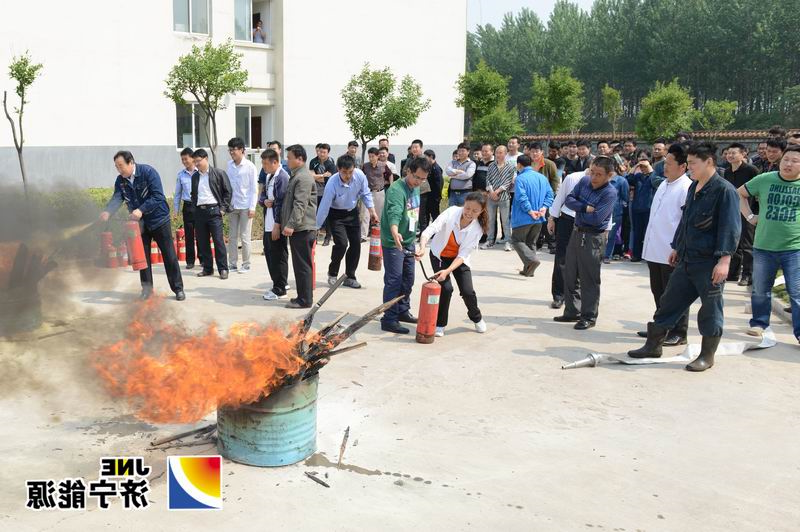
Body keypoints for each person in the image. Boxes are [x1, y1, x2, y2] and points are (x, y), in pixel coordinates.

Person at [629, 142, 741, 372]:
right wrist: (677, 247)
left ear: (708, 162)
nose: (689, 167)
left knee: (710, 310)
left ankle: (707, 355)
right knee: (668, 303)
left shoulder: (724, 191)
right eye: (688, 163)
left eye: (692, 163)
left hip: (709, 262)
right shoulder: (694, 187)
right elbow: (686, 220)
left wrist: (724, 260)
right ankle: (653, 345)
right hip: (686, 258)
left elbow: (730, 228)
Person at [101, 151, 185, 301]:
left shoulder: (148, 172)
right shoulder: (120, 181)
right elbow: (117, 197)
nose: (119, 170)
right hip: (140, 224)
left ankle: (178, 289)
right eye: (116, 167)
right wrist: (108, 211)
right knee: (143, 257)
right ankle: (147, 290)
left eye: (121, 166)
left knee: (169, 255)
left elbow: (158, 196)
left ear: (131, 162)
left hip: (159, 220)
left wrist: (141, 209)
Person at [738, 144, 800, 344]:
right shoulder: (765, 179)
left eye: (795, 161)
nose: (788, 164)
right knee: (760, 289)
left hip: (794, 248)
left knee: (797, 292)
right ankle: (759, 323)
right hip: (764, 245)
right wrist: (749, 216)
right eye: (786, 159)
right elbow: (740, 193)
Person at [637, 142, 693, 346]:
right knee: (658, 291)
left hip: (671, 250)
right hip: (654, 248)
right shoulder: (663, 184)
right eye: (665, 162)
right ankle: (660, 327)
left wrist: (678, 247)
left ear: (683, 166)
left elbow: (686, 222)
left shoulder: (686, 188)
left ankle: (679, 331)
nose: (665, 166)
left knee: (676, 293)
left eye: (669, 163)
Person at [554, 157, 618, 330]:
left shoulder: (609, 193)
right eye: (592, 172)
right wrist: (585, 208)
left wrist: (579, 208)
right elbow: (568, 200)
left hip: (593, 238)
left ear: (609, 175)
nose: (594, 178)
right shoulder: (584, 181)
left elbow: (596, 219)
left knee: (589, 278)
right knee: (570, 273)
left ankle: (589, 316)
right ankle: (572, 311)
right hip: (576, 232)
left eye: (599, 174)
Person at [417, 192, 488, 337]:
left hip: (458, 260)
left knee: (468, 291)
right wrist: (423, 247)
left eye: (475, 211)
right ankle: (440, 324)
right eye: (467, 208)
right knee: (446, 288)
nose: (469, 213)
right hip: (439, 256)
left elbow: (463, 254)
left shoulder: (477, 228)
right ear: (464, 204)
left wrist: (447, 271)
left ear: (481, 211)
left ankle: (476, 317)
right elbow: (431, 229)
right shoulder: (451, 212)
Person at [380, 156, 431, 334]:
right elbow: (394, 212)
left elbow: (413, 214)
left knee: (408, 279)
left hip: (408, 240)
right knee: (394, 280)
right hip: (393, 241)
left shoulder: (415, 188)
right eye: (417, 177)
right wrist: (395, 231)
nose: (419, 182)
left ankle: (402, 310)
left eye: (423, 179)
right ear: (408, 171)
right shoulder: (396, 189)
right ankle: (389, 318)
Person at [317, 155, 377, 289]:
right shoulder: (332, 183)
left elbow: (365, 193)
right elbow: (324, 206)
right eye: (344, 172)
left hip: (352, 213)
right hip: (336, 215)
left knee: (356, 244)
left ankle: (350, 276)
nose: (348, 176)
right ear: (338, 169)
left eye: (350, 172)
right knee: (342, 244)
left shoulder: (360, 176)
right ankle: (332, 273)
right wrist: (316, 226)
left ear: (354, 169)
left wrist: (372, 211)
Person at [282, 144, 318, 309]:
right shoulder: (297, 175)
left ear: (300, 159)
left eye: (289, 157)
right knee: (301, 265)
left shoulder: (303, 177)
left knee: (303, 265)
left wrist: (291, 224)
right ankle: (302, 297)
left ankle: (304, 300)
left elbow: (300, 204)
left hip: (302, 228)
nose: (287, 160)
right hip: (300, 228)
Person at [191, 148, 231, 280]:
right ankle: (207, 268)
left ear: (206, 159)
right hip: (200, 212)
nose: (197, 164)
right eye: (195, 162)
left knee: (218, 241)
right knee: (203, 242)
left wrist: (223, 209)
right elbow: (193, 194)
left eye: (198, 161)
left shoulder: (218, 173)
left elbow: (228, 191)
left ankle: (223, 269)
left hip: (214, 211)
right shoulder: (195, 176)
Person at [510, 154, 554, 277]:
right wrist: (544, 208)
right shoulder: (542, 177)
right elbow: (550, 195)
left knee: (517, 240)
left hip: (523, 217)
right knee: (531, 243)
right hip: (539, 217)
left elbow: (521, 197)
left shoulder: (520, 178)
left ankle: (531, 261)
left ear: (519, 165)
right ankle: (529, 271)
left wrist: (530, 211)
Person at [723, 142, 760, 286]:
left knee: (747, 244)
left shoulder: (751, 170)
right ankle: (733, 274)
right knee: (734, 243)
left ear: (743, 154)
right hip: (732, 211)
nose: (730, 156)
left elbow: (758, 192)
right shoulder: (727, 171)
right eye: (728, 153)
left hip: (748, 211)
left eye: (734, 153)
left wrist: (754, 213)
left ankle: (748, 275)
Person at [259, 148, 290, 301]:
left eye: (266, 164)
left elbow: (282, 203)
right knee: (270, 253)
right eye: (263, 163)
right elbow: (262, 196)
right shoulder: (269, 176)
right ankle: (277, 284)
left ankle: (280, 288)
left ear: (275, 162)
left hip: (277, 224)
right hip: (268, 222)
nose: (263, 167)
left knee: (278, 255)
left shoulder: (282, 177)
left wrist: (277, 225)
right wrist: (264, 201)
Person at [225, 137, 258, 273]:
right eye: (230, 150)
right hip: (233, 206)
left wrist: (252, 208)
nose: (232, 152)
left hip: (246, 206)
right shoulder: (229, 165)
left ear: (242, 150)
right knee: (232, 237)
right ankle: (232, 264)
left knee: (245, 237)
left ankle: (246, 264)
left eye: (234, 149)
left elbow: (254, 189)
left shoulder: (250, 167)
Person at [626, 151, 663, 262]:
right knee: (637, 232)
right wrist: (635, 167)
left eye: (644, 166)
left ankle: (648, 255)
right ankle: (636, 255)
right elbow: (628, 179)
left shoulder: (654, 176)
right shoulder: (638, 176)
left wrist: (649, 169)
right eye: (641, 167)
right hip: (637, 208)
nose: (642, 168)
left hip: (649, 208)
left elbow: (657, 182)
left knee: (649, 232)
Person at [482, 145, 515, 251]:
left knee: (505, 220)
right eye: (496, 152)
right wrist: (492, 192)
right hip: (491, 197)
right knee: (490, 219)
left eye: (500, 153)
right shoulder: (491, 165)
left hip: (504, 197)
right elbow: (488, 179)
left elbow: (508, 181)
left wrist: (497, 191)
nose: (498, 155)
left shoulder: (510, 166)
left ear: (505, 153)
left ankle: (508, 241)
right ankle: (490, 240)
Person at [360, 147, 392, 240]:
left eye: (373, 156)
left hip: (379, 192)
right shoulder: (365, 166)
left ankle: (379, 233)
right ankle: (363, 235)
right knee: (365, 214)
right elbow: (361, 176)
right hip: (368, 193)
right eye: (369, 156)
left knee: (379, 214)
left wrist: (391, 185)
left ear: (377, 156)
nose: (371, 158)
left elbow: (390, 175)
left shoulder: (383, 165)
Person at [173, 147, 197, 269]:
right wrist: (176, 210)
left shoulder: (200, 172)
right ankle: (190, 261)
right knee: (188, 235)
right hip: (187, 206)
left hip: (200, 206)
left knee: (201, 234)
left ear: (192, 158)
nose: (184, 161)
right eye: (182, 159)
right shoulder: (181, 175)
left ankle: (203, 259)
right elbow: (177, 194)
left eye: (186, 159)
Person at [309, 143, 337, 246]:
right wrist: (322, 175)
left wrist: (317, 176)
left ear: (328, 153)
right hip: (315, 191)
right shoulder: (313, 161)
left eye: (324, 152)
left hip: (327, 192)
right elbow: (311, 176)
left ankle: (328, 237)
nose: (321, 154)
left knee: (327, 214)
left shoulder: (331, 164)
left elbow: (328, 179)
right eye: (320, 151)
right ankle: (314, 236)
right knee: (314, 213)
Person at [603, 162, 629, 263]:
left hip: (615, 212)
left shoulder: (621, 181)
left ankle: (607, 255)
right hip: (601, 210)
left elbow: (625, 197)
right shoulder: (602, 178)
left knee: (611, 235)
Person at [446, 142, 476, 207]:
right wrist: (459, 171)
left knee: (464, 212)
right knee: (452, 212)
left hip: (465, 193)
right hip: (453, 194)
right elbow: (448, 171)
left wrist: (453, 176)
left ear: (468, 152)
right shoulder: (453, 162)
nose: (460, 153)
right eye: (459, 151)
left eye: (463, 151)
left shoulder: (471, 163)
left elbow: (467, 175)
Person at [421, 149, 443, 235]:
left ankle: (436, 233)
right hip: (428, 195)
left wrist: (437, 196)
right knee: (426, 214)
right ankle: (426, 232)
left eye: (426, 157)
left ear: (431, 157)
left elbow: (439, 184)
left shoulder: (436, 168)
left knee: (435, 215)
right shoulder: (429, 167)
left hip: (434, 196)